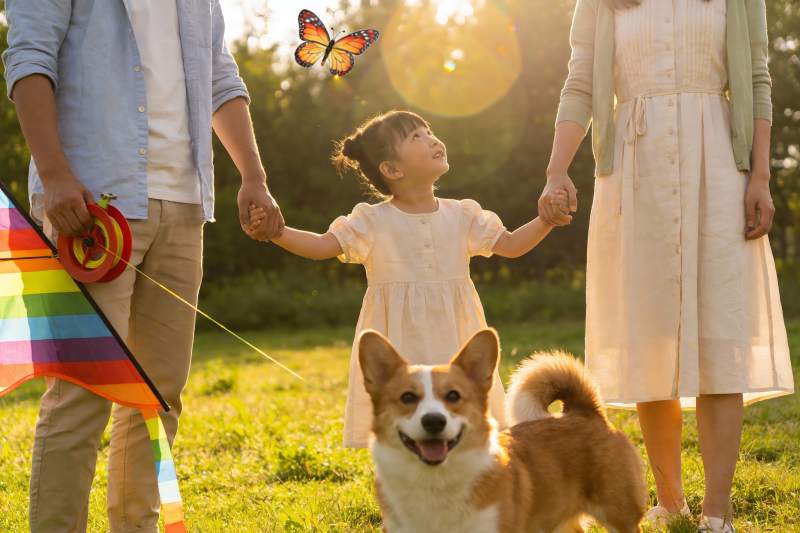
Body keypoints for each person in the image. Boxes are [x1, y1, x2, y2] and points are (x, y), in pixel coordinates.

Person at [2, 1, 284, 531]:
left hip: (184, 203)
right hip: (91, 205)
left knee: (157, 396)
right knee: (81, 390)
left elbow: (221, 77)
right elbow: (29, 59)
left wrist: (253, 175)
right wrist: (56, 174)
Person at [540, 0, 795, 531]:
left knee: (720, 330)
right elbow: (580, 85)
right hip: (635, 172)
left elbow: (756, 78)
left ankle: (717, 515)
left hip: (721, 165)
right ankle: (670, 502)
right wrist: (556, 171)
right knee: (652, 337)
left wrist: (760, 178)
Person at [247, 110, 568, 448]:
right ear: (392, 169)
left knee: (462, 417)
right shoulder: (372, 220)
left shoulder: (461, 214)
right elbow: (322, 245)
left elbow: (512, 245)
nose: (431, 138)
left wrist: (546, 220)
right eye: (416, 136)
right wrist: (276, 232)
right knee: (406, 419)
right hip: (400, 341)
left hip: (454, 335)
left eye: (428, 130)